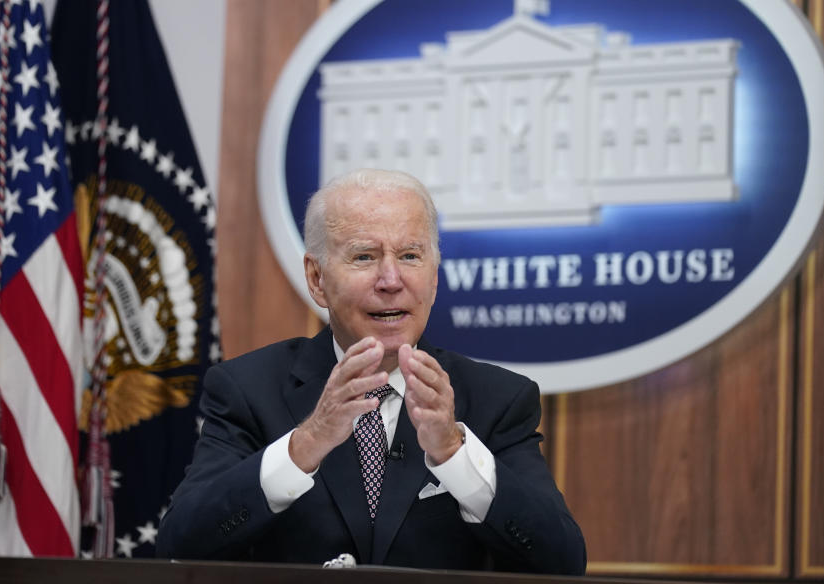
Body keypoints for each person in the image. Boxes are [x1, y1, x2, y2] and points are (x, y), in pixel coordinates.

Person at [156, 169, 586, 573]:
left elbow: (562, 560)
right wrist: (306, 444)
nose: (390, 279)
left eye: (410, 256)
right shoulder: (247, 390)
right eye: (364, 256)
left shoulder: (497, 399)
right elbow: (180, 545)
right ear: (317, 278)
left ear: (434, 278)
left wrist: (455, 455)